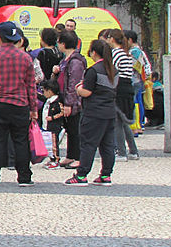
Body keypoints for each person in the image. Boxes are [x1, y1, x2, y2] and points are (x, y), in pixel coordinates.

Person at [0, 21, 37, 186]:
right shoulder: (25, 58)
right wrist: (33, 108)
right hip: (20, 104)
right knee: (21, 140)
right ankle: (24, 177)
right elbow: (31, 85)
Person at [65, 40, 118, 185]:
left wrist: (78, 89)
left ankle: (81, 175)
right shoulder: (113, 70)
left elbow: (87, 92)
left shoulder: (93, 70)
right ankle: (106, 174)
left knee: (88, 144)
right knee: (107, 146)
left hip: (94, 113)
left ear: (94, 52)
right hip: (110, 112)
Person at [55, 31, 87, 170]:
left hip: (73, 100)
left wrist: (69, 103)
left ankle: (78, 156)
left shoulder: (75, 61)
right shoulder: (65, 60)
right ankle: (70, 154)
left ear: (63, 43)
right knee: (69, 128)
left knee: (75, 128)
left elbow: (73, 83)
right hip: (63, 96)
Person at [106, 29, 139, 162]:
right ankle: (133, 150)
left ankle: (121, 152)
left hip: (119, 87)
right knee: (123, 120)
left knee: (117, 121)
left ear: (112, 39)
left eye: (108, 38)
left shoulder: (116, 54)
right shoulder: (126, 54)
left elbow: (112, 71)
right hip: (127, 86)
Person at [41, 79, 64, 170]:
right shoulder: (48, 100)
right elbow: (40, 97)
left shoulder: (57, 101)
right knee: (49, 144)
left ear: (49, 91)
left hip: (54, 126)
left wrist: (53, 117)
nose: (44, 93)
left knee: (54, 144)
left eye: (44, 91)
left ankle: (56, 159)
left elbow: (62, 112)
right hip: (46, 125)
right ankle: (51, 158)